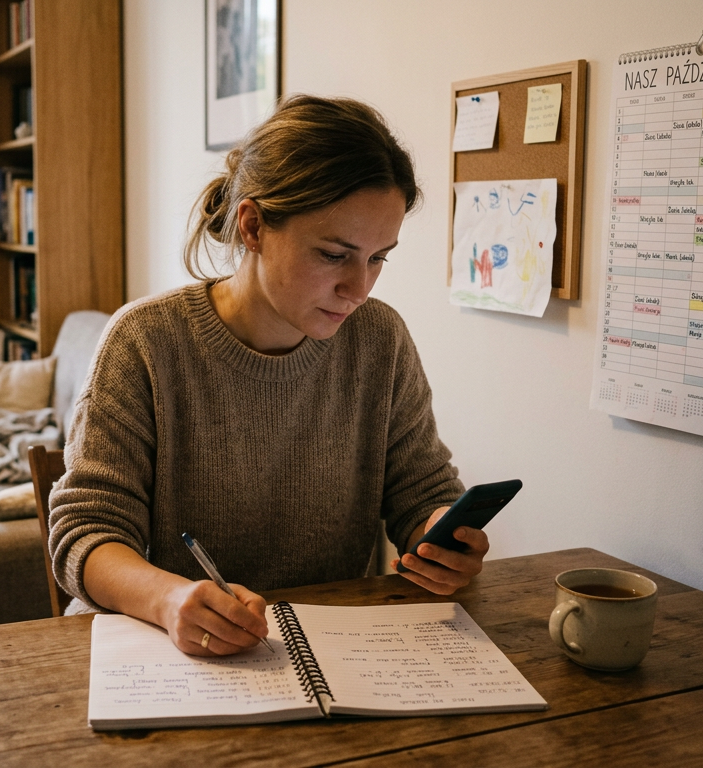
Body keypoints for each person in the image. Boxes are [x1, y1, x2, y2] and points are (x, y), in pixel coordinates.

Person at [47, 94, 488, 656]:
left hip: (328, 653)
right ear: (252, 226)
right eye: (334, 255)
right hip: (158, 653)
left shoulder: (380, 340)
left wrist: (441, 538)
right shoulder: (144, 342)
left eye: (378, 258)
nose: (359, 289)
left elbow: (420, 491)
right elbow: (85, 533)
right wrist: (168, 599)